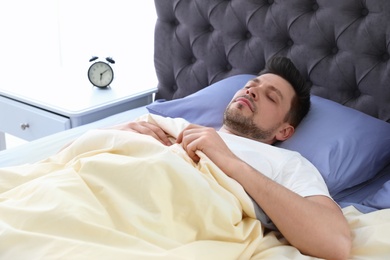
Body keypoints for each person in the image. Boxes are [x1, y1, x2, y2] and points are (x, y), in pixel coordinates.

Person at [113, 56, 351, 259]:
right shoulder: (177, 126)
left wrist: (230, 162)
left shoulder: (288, 163)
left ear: (284, 131)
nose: (252, 91)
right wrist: (117, 132)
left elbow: (335, 242)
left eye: (271, 97)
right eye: (251, 85)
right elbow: (82, 148)